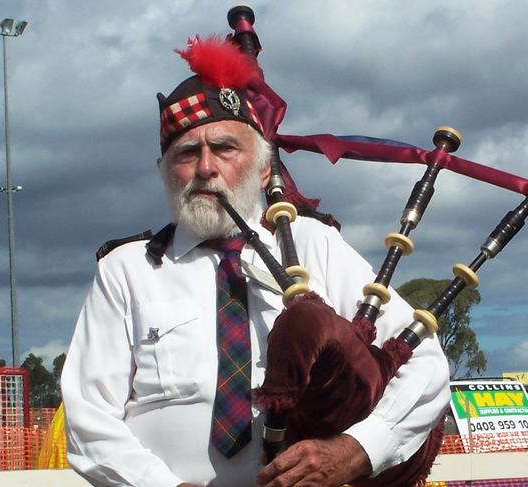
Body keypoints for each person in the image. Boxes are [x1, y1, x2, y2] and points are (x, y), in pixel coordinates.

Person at [61, 36, 450, 487]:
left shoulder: (314, 243)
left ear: (264, 170)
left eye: (225, 148)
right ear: (164, 172)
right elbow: (89, 419)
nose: (206, 167)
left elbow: (425, 362)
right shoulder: (126, 271)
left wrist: (359, 449)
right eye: (187, 153)